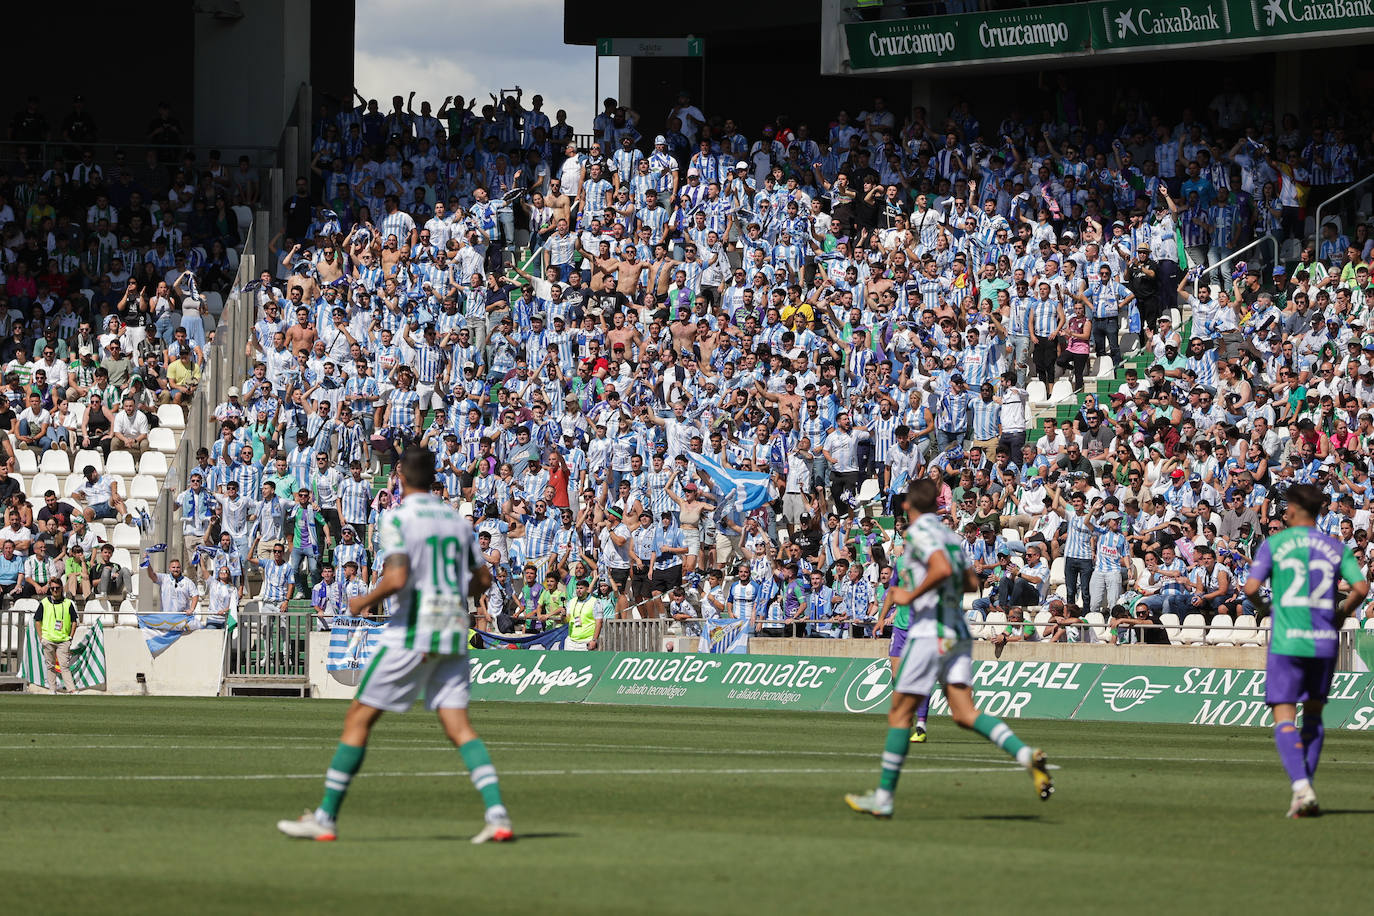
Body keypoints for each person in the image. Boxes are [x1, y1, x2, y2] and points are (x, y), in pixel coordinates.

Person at [276, 448, 510, 844]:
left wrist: (363, 600)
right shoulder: (455, 521)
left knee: (358, 719)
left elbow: (398, 576)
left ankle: (326, 817)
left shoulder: (398, 518)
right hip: (453, 631)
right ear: (435, 477)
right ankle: (498, 814)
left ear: (399, 477)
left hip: (414, 630)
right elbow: (483, 580)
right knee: (459, 727)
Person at [845, 478, 1052, 818]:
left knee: (899, 713)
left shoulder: (920, 534)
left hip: (929, 632)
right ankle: (1026, 755)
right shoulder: (950, 537)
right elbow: (971, 580)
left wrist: (911, 595)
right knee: (964, 713)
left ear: (909, 507)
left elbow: (941, 569)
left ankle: (883, 798)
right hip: (957, 630)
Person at [1242, 483, 1369, 819]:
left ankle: (1301, 786)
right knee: (1313, 714)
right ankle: (1305, 790)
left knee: (1284, 715)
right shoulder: (1335, 547)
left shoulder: (1275, 544)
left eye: (1286, 507)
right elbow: (1361, 587)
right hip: (1323, 640)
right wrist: (1342, 613)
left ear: (1297, 509)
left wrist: (1264, 608)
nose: (1283, 511)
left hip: (1287, 641)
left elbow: (1251, 588)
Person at [34, 579, 80, 694]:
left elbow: (74, 621)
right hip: (48, 639)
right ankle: (52, 689)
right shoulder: (44, 602)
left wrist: (70, 637)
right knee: (50, 666)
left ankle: (71, 689)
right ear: (50, 589)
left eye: (57, 588)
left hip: (63, 640)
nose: (55, 590)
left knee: (64, 666)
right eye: (53, 588)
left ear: (61, 588)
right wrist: (41, 638)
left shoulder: (68, 603)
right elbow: (37, 621)